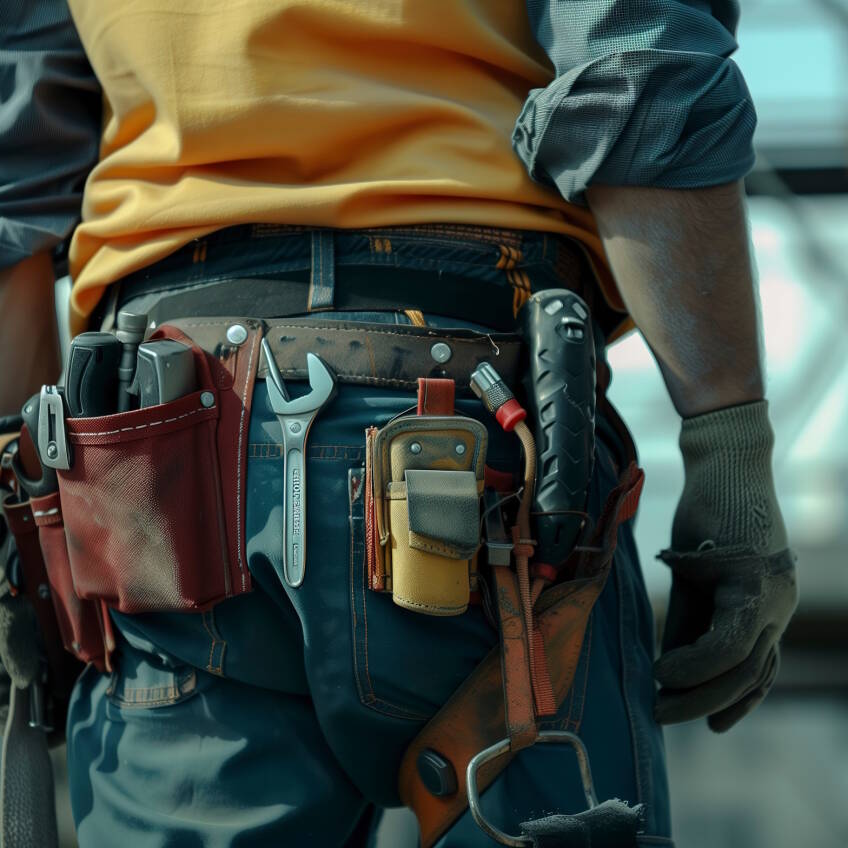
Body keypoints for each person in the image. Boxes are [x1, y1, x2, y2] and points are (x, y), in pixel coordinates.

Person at [0, 1, 797, 846]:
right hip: (491, 424)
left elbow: (12, 179)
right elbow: (641, 63)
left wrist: (27, 524)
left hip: (168, 460)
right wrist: (727, 445)